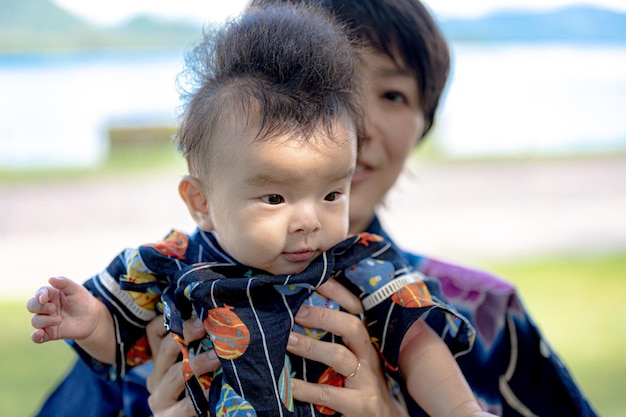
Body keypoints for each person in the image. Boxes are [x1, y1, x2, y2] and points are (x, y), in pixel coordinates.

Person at [31, 0, 599, 416]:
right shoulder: (167, 293)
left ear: (427, 120)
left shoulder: (481, 313)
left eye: (393, 94)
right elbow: (106, 331)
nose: (360, 124)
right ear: (201, 197)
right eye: (332, 90)